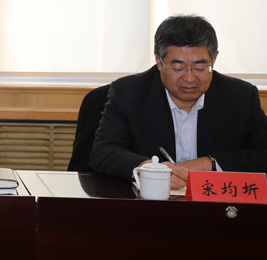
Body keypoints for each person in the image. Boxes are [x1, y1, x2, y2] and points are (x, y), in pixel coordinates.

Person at [90, 15, 267, 189]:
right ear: (159, 61)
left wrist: (208, 164)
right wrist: (150, 170)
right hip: (150, 200)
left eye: (200, 67)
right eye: (178, 68)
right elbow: (103, 151)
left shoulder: (241, 96)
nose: (189, 78)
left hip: (214, 202)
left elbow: (263, 154)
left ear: (214, 59)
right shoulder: (128, 93)